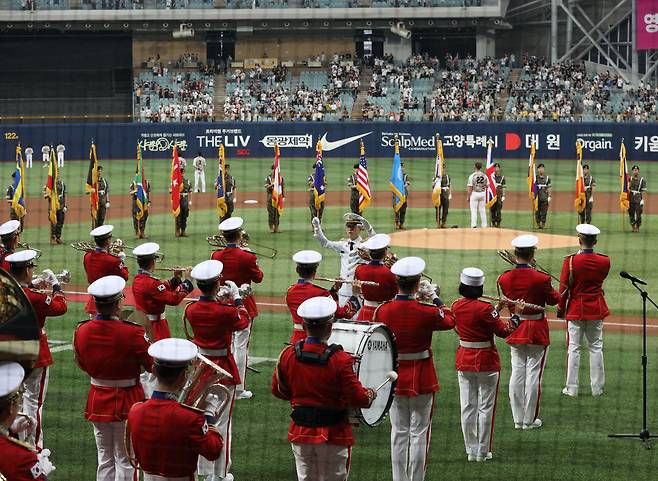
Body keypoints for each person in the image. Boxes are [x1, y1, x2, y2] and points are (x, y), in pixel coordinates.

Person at [272, 296, 377, 481]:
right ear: (330, 328)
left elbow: (279, 390)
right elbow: (359, 399)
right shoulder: (341, 360)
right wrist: (370, 395)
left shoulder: (288, 355)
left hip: (300, 431)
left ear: (303, 327)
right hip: (334, 434)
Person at [372, 257, 455, 481]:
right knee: (419, 432)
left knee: (398, 431)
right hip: (422, 376)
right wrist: (435, 298)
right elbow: (450, 320)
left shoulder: (383, 310)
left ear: (396, 281)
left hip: (394, 376)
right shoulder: (426, 310)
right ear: (418, 283)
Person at [73, 275, 152, 481]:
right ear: (118, 303)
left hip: (98, 397)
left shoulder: (81, 331)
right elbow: (151, 365)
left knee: (105, 457)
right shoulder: (132, 332)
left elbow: (81, 363)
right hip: (129, 399)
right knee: (127, 459)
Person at [186, 260, 251, 481]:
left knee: (199, 420)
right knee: (222, 424)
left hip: (199, 369)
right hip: (222, 368)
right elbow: (243, 320)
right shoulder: (226, 311)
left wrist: (220, 301)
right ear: (217, 283)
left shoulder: (192, 309)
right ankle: (220, 475)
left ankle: (202, 471)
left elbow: (211, 312)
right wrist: (237, 297)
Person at [126, 338, 223, 481]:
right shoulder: (190, 417)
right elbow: (213, 451)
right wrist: (209, 416)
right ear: (184, 376)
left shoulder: (135, 411)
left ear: (153, 370)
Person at [451, 268, 518, 462]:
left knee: (468, 406)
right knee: (486, 407)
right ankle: (483, 451)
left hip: (464, 360)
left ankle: (470, 451)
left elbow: (472, 322)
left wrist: (497, 310)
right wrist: (517, 315)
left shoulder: (456, 306)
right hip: (486, 361)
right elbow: (504, 331)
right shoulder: (485, 308)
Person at [6, 249, 68, 449]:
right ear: (25, 271)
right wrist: (56, 285)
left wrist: (32, 285)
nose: (33, 270)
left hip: (10, 352)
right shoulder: (34, 297)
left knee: (14, 400)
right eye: (31, 267)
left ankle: (14, 440)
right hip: (35, 354)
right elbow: (60, 307)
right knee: (34, 402)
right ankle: (34, 446)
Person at [497, 235, 560, 429]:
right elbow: (554, 300)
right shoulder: (541, 278)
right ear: (532, 253)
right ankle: (530, 419)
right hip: (536, 330)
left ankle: (518, 419)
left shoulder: (504, 278)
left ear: (516, 254)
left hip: (515, 328)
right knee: (533, 374)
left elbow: (508, 302)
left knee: (517, 371)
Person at [211, 217, 264, 400]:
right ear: (239, 234)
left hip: (221, 305)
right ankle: (239, 388)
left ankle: (223, 382)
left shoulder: (215, 255)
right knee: (241, 348)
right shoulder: (247, 256)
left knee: (225, 345)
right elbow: (258, 278)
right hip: (242, 305)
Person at [559, 224, 610, 397]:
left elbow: (563, 289)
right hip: (596, 308)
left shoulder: (571, 261)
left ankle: (571, 388)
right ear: (595, 241)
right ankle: (597, 388)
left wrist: (560, 308)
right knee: (596, 347)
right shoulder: (605, 261)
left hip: (576, 309)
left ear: (579, 240)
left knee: (574, 348)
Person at [286, 250, 358, 344]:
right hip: (315, 341)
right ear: (315, 271)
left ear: (297, 270)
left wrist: (334, 289)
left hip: (295, 341)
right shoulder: (320, 292)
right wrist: (355, 295)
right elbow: (344, 313)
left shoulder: (290, 291)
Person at [0, 362, 55, 481]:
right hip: (36, 359)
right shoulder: (20, 458)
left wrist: (9, 430)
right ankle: (37, 450)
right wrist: (41, 474)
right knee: (34, 402)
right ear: (11, 408)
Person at [131, 242, 194, 342]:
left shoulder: (137, 279)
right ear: (153, 262)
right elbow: (173, 299)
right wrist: (188, 281)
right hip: (156, 327)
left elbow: (158, 291)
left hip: (143, 324)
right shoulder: (152, 283)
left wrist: (176, 279)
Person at [312, 213, 375, 306]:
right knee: (342, 317)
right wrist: (317, 228)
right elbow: (325, 243)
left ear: (360, 228)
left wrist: (369, 227)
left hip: (358, 291)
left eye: (353, 226)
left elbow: (377, 241)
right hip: (343, 291)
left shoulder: (365, 245)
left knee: (356, 318)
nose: (350, 229)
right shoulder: (343, 244)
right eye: (348, 226)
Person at [83, 225, 129, 316]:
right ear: (108, 241)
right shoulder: (113, 260)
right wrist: (121, 262)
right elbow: (125, 277)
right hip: (111, 303)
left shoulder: (87, 256)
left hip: (94, 301)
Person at [353, 234, 397, 321]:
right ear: (385, 252)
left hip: (365, 312)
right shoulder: (389, 272)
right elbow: (396, 293)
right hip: (384, 313)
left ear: (369, 252)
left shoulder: (359, 269)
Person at [44, 169, 66, 245]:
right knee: (53, 222)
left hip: (61, 206)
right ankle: (53, 238)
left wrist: (65, 205)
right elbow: (45, 196)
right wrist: (50, 194)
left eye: (58, 173)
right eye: (56, 173)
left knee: (60, 222)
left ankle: (58, 237)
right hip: (53, 206)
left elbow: (64, 195)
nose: (57, 175)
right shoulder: (49, 185)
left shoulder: (62, 184)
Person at [467, 162, 488, 228]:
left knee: (474, 210)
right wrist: (483, 186)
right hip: (482, 194)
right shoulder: (484, 175)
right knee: (482, 210)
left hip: (475, 194)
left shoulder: (472, 176)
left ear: (475, 167)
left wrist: (468, 197)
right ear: (481, 167)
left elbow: (470, 187)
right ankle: (484, 225)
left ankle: (473, 225)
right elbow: (487, 185)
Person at [264, 165, 283, 233]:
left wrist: (282, 197)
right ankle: (271, 227)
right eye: (274, 169)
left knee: (277, 213)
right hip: (271, 196)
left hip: (278, 196)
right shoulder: (268, 178)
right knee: (271, 213)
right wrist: (272, 184)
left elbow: (282, 188)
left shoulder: (280, 178)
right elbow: (266, 186)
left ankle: (276, 227)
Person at [175, 166, 192, 237]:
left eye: (183, 172)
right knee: (178, 216)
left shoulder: (187, 181)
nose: (182, 174)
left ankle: (183, 231)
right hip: (178, 199)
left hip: (185, 200)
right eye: (180, 172)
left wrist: (190, 200)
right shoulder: (175, 182)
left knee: (184, 216)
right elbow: (172, 192)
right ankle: (177, 231)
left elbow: (190, 191)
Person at [629, 164, 647, 232]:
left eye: (636, 170)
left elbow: (643, 191)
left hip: (638, 199)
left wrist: (642, 199)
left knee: (639, 213)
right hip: (631, 198)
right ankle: (633, 226)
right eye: (634, 170)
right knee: (631, 213)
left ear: (638, 171)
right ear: (632, 171)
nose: (635, 171)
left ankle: (638, 226)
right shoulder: (629, 179)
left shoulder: (642, 180)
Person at [394, 162, 410, 230]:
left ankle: (401, 224)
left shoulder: (405, 176)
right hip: (397, 195)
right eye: (401, 167)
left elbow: (408, 183)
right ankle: (397, 224)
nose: (402, 169)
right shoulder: (395, 176)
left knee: (403, 209)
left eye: (403, 167)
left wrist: (404, 185)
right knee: (397, 209)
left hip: (404, 195)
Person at [490, 163, 506, 228]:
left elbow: (504, 187)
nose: (496, 169)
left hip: (499, 195)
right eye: (495, 167)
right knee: (492, 209)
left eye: (497, 167)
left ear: (499, 168)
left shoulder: (502, 177)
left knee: (498, 209)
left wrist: (503, 195)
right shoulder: (491, 177)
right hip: (493, 196)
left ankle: (498, 222)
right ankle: (493, 222)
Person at [535, 163, 551, 229]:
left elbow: (549, 187)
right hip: (537, 197)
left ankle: (543, 223)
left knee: (544, 211)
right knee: (537, 211)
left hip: (544, 197)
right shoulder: (535, 178)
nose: (541, 169)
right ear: (537, 169)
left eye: (542, 168)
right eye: (540, 168)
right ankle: (538, 223)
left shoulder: (547, 178)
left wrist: (550, 196)